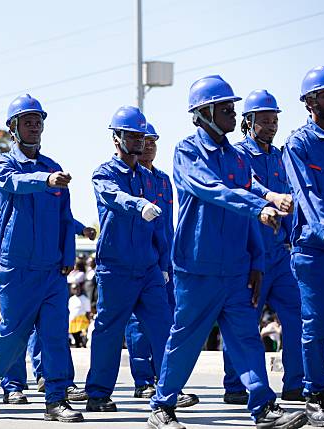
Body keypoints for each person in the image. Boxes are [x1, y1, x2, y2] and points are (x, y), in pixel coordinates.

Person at [147, 75, 306, 429]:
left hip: (235, 268)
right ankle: (162, 405)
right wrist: (258, 207)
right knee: (185, 338)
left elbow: (250, 204)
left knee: (247, 336)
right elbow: (211, 189)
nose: (234, 114)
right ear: (204, 112)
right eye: (226, 108)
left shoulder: (236, 157)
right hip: (197, 266)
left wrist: (256, 260)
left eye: (233, 108)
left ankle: (263, 407)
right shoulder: (188, 151)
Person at [0, 94, 83, 423]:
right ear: (13, 128)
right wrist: (44, 180)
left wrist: (68, 253)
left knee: (54, 334)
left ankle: (56, 399)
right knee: (14, 334)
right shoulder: (4, 165)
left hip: (50, 268)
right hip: (16, 266)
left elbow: (65, 216)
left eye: (38, 121)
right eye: (27, 121)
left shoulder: (54, 168)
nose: (35, 126)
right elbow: (15, 184)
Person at [84, 106, 187, 414]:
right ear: (117, 138)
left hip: (149, 269)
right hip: (115, 268)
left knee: (165, 328)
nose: (140, 141)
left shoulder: (148, 177)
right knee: (109, 331)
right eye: (133, 135)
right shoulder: (104, 173)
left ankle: (169, 391)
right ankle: (98, 393)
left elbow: (160, 227)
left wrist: (164, 263)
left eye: (142, 135)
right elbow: (112, 197)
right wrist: (138, 202)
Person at [222, 89, 305, 405]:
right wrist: (270, 195)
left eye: (275, 120)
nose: (271, 126)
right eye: (265, 120)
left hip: (281, 253)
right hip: (248, 253)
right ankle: (235, 385)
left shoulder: (282, 156)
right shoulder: (238, 155)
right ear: (248, 121)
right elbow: (245, 186)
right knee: (243, 319)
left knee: (296, 315)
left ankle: (295, 383)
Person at [123, 123, 198, 407]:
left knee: (167, 321)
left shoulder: (164, 180)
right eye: (144, 140)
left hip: (165, 258)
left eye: (153, 141)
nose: (149, 145)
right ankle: (143, 381)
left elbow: (169, 222)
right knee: (139, 324)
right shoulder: (132, 178)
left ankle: (165, 381)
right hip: (140, 258)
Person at [283, 65, 324, 427]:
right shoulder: (298, 145)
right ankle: (314, 395)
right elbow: (308, 198)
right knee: (315, 328)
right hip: (315, 252)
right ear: (309, 102)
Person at [68, 284, 90, 348]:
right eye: (74, 289)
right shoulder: (71, 299)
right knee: (75, 337)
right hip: (73, 323)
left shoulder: (85, 299)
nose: (76, 290)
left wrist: (88, 322)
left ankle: (82, 345)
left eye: (77, 288)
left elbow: (88, 311)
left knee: (81, 336)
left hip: (81, 322)